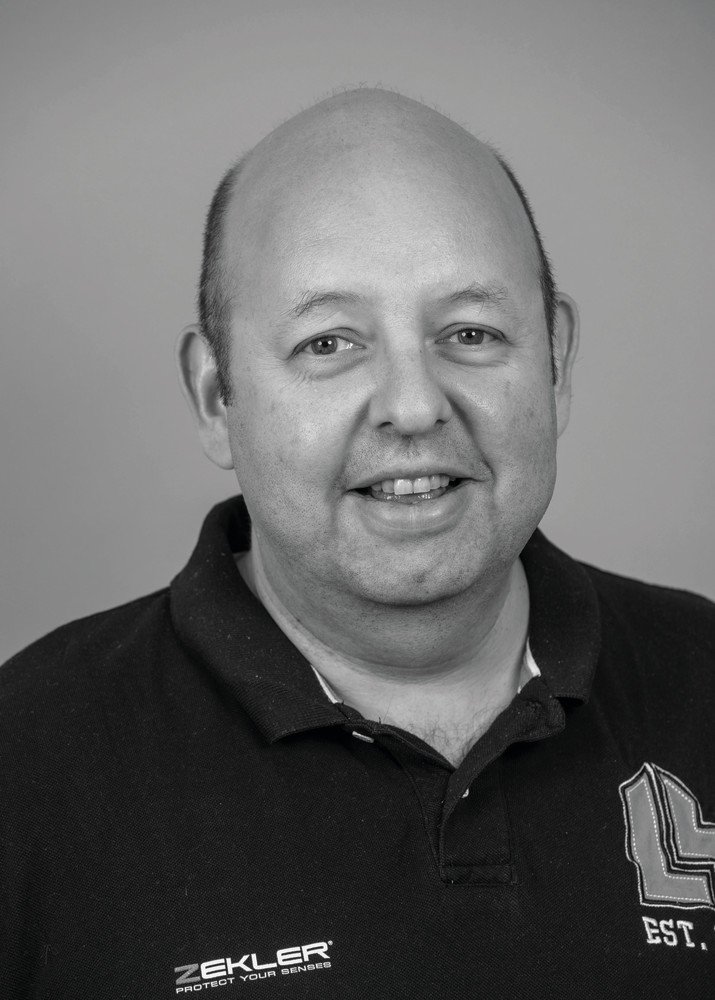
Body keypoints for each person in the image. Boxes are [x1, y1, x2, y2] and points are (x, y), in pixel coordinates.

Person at [2, 88, 714, 999]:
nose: (413, 406)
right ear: (217, 397)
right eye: (329, 343)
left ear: (556, 362)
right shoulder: (25, 765)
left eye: (470, 332)